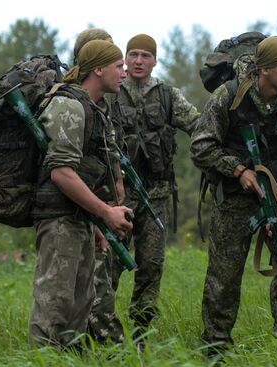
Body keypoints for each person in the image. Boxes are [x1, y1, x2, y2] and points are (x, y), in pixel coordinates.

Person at [190, 36, 277, 355]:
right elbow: (201, 146)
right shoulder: (228, 96)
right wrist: (237, 170)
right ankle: (216, 347)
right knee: (224, 277)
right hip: (234, 200)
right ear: (265, 70)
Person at [90, 33, 200, 343]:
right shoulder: (111, 93)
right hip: (117, 197)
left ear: (154, 60)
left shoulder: (167, 96)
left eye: (145, 55)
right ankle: (101, 333)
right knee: (109, 266)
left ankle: (142, 338)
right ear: (125, 60)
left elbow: (199, 126)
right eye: (133, 55)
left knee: (151, 268)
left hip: (157, 196)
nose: (138, 61)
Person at [28, 40, 133, 349]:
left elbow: (86, 171)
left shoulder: (91, 108)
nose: (124, 73)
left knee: (79, 308)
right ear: (98, 69)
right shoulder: (69, 106)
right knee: (54, 308)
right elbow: (62, 173)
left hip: (78, 219)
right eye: (118, 66)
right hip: (59, 219)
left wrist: (95, 223)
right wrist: (105, 212)